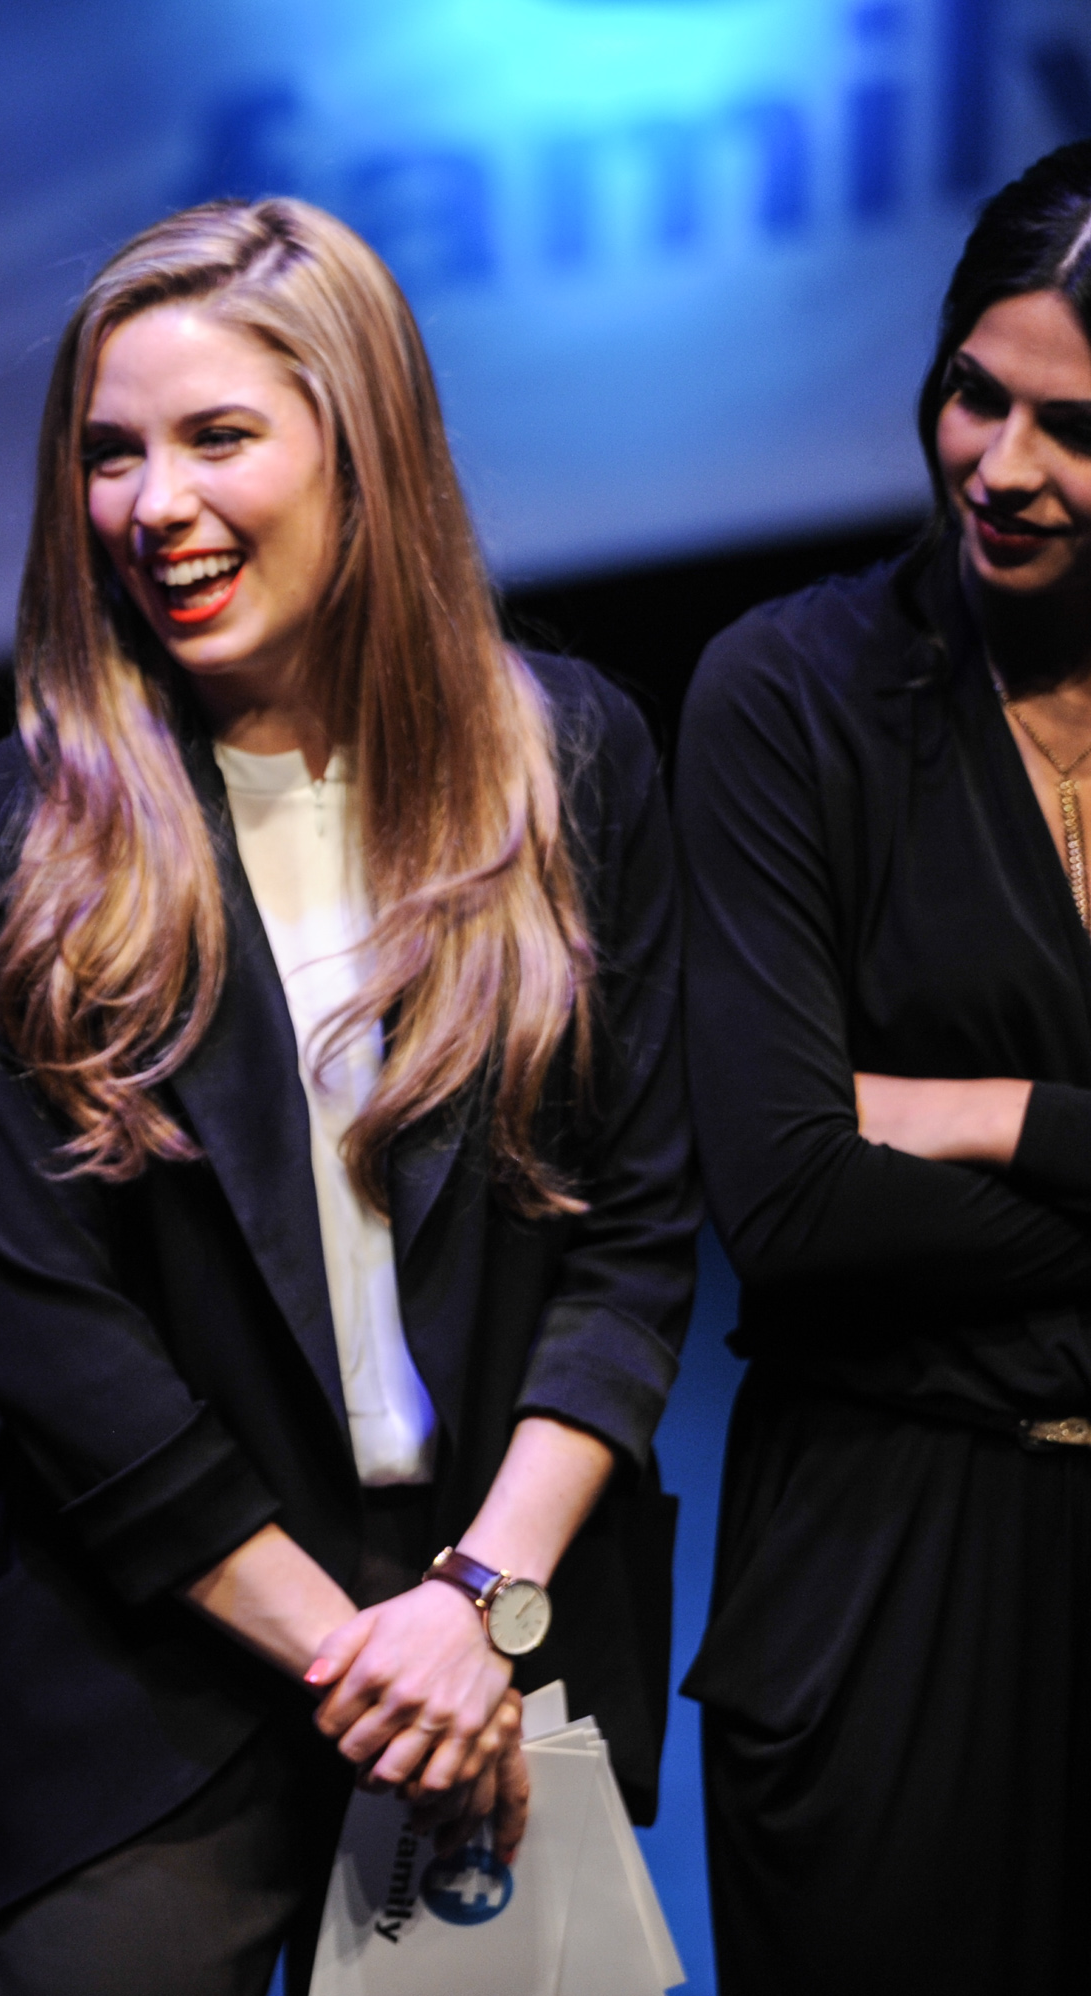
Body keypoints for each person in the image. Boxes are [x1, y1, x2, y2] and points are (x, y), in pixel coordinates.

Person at [0, 197, 696, 1995]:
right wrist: (374, 1654)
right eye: (108, 454)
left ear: (363, 451)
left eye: (216, 438)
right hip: (152, 1657)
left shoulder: (571, 764)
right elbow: (54, 1342)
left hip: (492, 1620)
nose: (152, 506)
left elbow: (638, 1244)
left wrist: (480, 1611)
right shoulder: (9, 836)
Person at [679, 139, 1091, 1993]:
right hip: (888, 1566)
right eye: (973, 396)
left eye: (1075, 426)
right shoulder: (793, 695)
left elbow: (888, 1164)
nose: (1004, 468)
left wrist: (1011, 1119)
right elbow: (790, 1195)